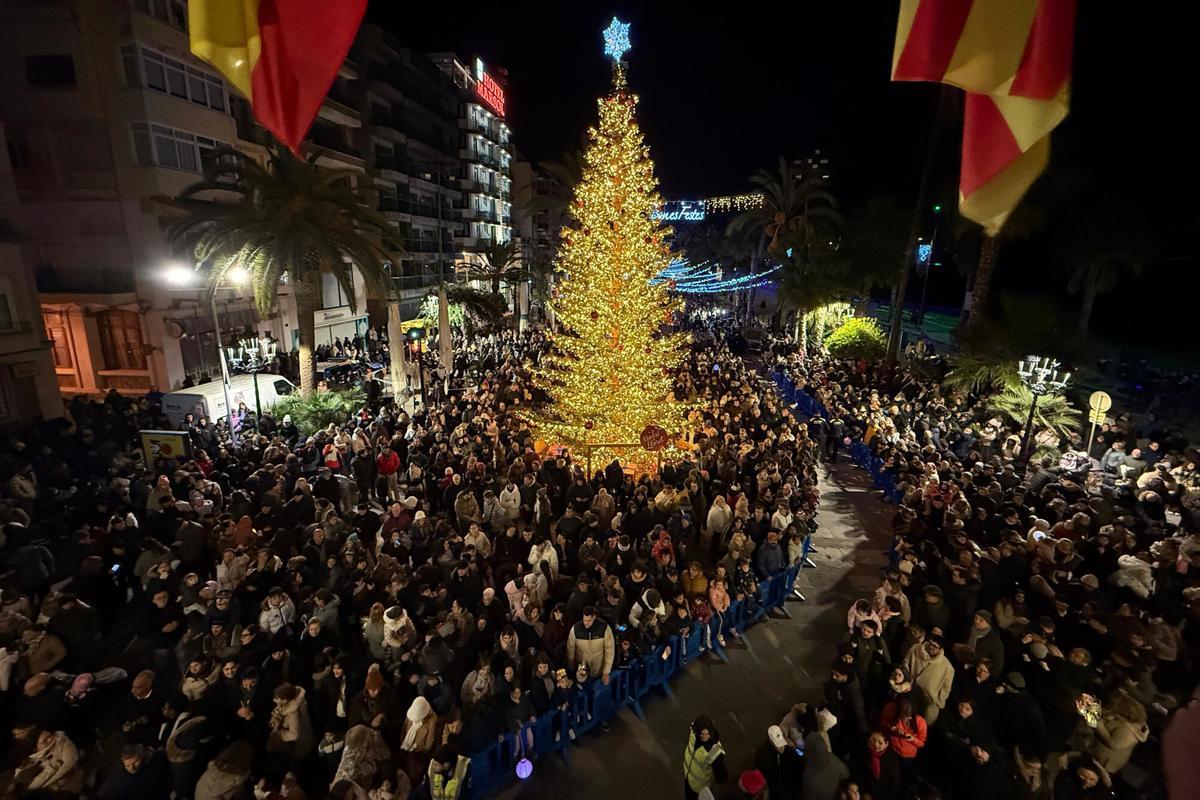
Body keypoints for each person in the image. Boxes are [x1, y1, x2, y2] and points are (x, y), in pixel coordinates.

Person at [683, 715, 728, 800]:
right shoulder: (714, 751)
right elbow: (721, 777)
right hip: (699, 786)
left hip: (692, 781)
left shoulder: (693, 733)